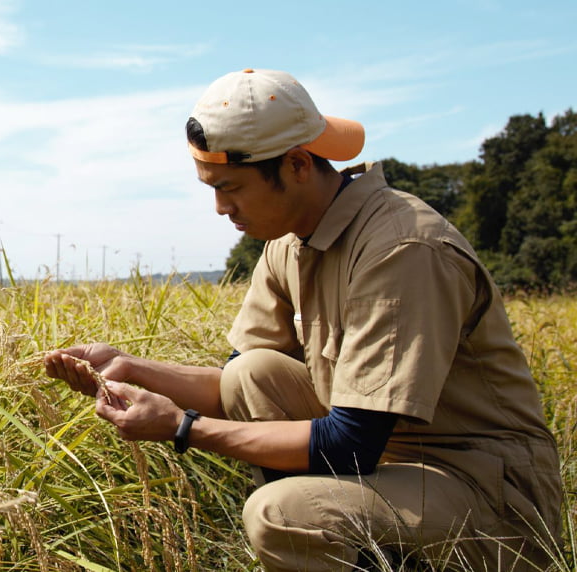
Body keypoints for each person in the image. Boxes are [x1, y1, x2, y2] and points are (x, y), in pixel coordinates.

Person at [44, 68, 562, 571]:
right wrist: (130, 368)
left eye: (231, 187)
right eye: (212, 189)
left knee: (280, 516)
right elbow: (233, 386)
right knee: (253, 373)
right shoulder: (288, 244)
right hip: (395, 467)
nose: (221, 208)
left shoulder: (402, 248)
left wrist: (181, 428)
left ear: (296, 164)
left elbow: (350, 444)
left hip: (485, 491)